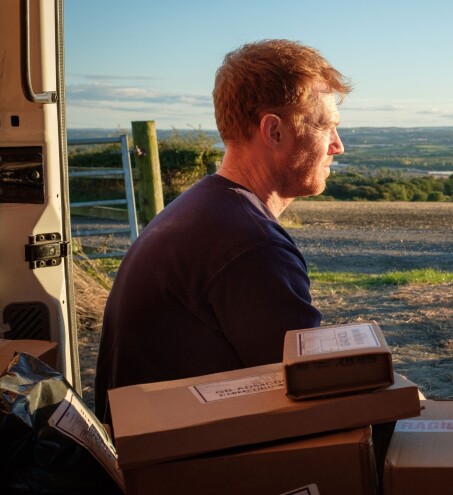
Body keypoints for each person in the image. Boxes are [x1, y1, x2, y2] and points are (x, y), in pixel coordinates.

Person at [94, 39, 350, 422]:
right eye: (326, 126)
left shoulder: (204, 208)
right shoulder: (251, 245)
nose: (337, 146)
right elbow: (318, 399)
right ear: (274, 131)